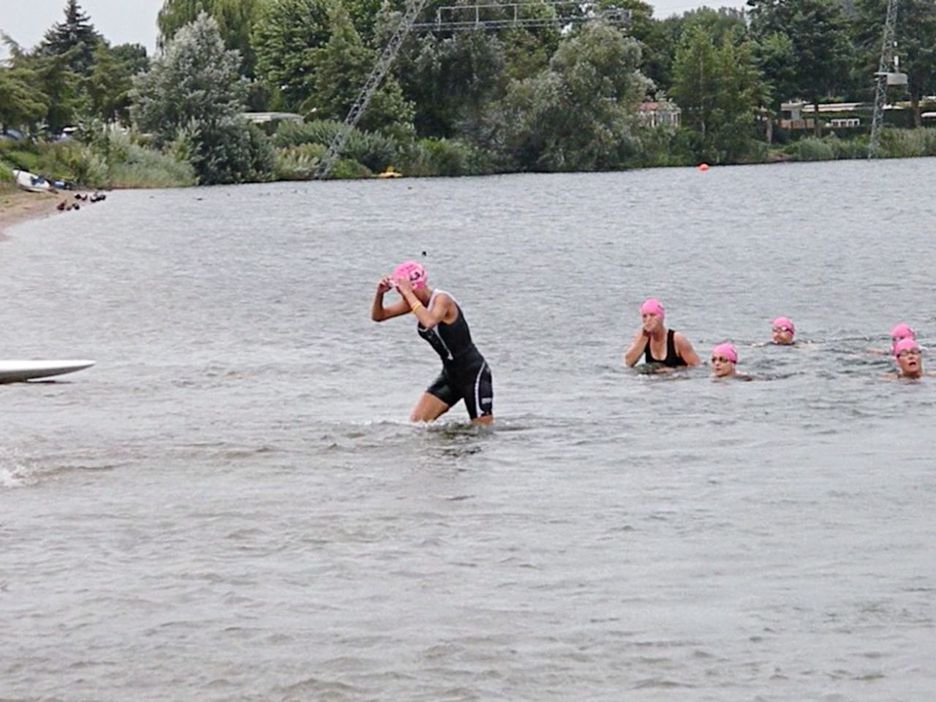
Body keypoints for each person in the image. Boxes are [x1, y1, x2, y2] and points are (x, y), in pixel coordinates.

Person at [371, 260, 493, 424]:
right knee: (417, 423)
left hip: (473, 373)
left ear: (417, 285)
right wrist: (380, 294)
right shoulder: (414, 303)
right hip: (450, 376)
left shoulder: (442, 300)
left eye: (404, 291)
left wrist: (408, 294)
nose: (403, 295)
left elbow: (429, 321)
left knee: (482, 433)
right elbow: (379, 316)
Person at [624, 297, 699, 370]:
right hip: (653, 381)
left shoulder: (676, 339)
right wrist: (644, 338)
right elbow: (628, 362)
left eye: (652, 315)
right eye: (644, 316)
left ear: (661, 317)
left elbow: (697, 367)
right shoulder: (643, 337)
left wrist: (673, 371)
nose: (648, 319)